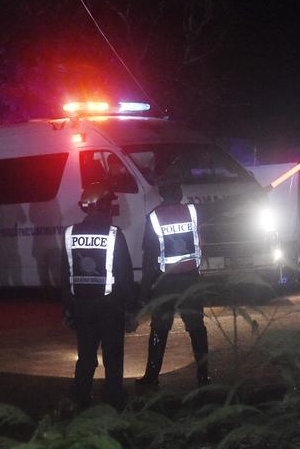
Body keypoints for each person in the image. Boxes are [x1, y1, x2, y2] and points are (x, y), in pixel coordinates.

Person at [61, 182, 137, 408]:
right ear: (101, 205)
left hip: (82, 307)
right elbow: (125, 275)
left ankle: (82, 399)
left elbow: (65, 276)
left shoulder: (69, 233)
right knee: (113, 355)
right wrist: (132, 307)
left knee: (85, 356)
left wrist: (68, 309)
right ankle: (115, 399)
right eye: (109, 204)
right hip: (110, 307)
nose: (111, 209)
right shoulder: (114, 234)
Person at [136, 166, 209, 387]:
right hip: (191, 281)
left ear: (161, 193)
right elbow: (203, 239)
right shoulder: (193, 212)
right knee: (197, 328)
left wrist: (144, 290)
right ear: (178, 192)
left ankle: (151, 378)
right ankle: (204, 377)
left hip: (165, 284)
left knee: (159, 329)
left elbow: (149, 258)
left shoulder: (154, 218)